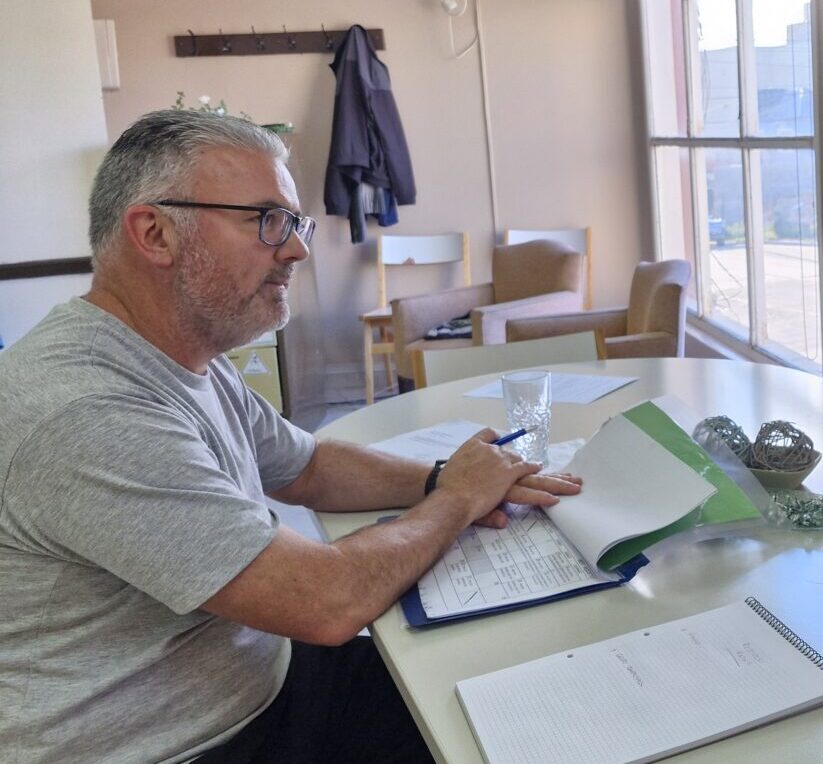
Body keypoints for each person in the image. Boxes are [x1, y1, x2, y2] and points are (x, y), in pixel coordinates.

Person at [0, 110, 581, 762]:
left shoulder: (184, 354)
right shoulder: (87, 411)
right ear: (155, 233)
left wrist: (442, 477)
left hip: (260, 686)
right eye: (266, 220)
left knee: (511, 702)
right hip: (187, 746)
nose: (298, 250)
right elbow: (327, 601)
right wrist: (458, 500)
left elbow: (307, 467)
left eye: (294, 223)